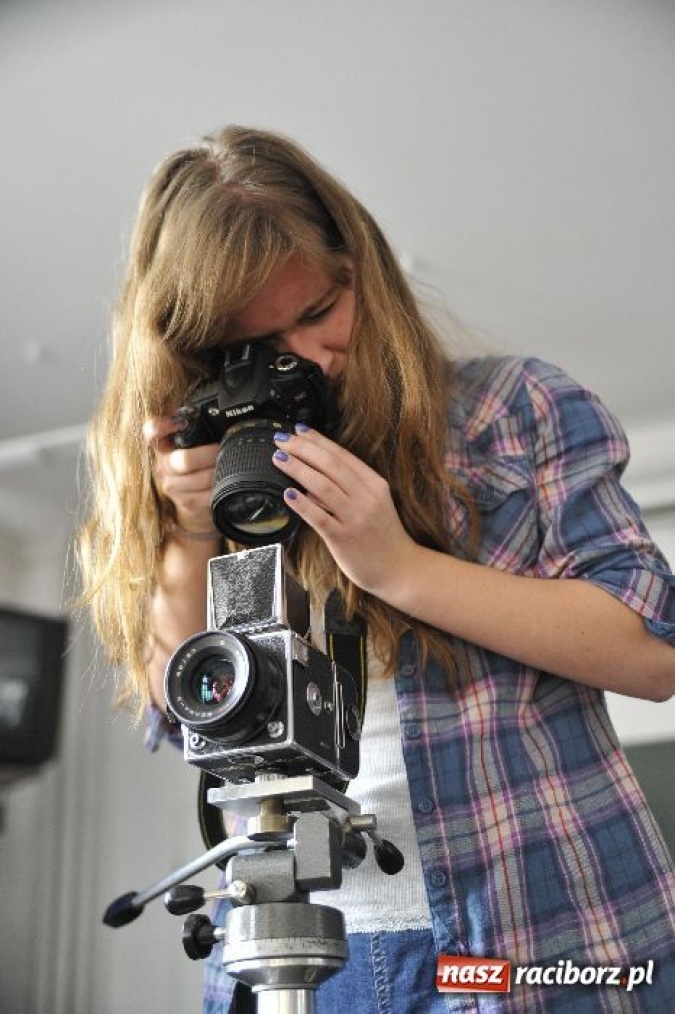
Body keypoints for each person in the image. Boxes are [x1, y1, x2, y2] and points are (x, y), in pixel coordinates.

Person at [79, 125, 675, 1012]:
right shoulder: (210, 460)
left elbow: (649, 653)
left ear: (364, 268)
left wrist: (395, 565)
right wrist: (189, 531)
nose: (308, 358)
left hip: (547, 933)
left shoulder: (511, 410)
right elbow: (189, 705)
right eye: (256, 345)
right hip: (295, 955)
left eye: (319, 312)